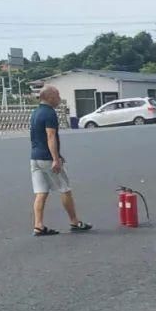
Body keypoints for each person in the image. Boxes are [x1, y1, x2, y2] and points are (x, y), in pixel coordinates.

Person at [30, 86, 91, 236]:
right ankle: (74, 222)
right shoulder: (49, 113)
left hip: (35, 158)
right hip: (47, 158)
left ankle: (38, 226)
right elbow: (50, 136)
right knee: (64, 189)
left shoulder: (35, 112)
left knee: (41, 192)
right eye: (57, 95)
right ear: (50, 97)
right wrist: (55, 158)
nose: (59, 98)